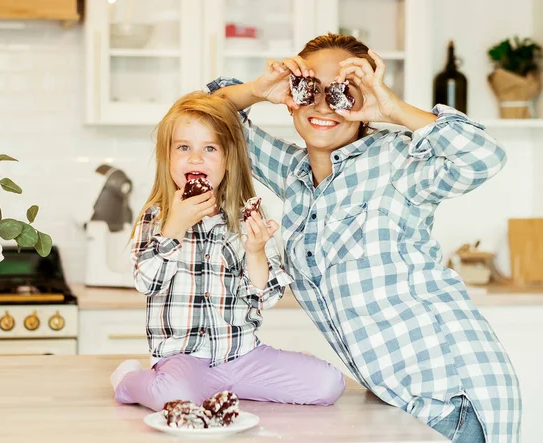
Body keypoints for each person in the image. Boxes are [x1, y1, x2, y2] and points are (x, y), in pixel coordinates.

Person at [207, 34, 521, 442]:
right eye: (309, 90)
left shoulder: (396, 160)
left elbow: (484, 155)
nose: (322, 105)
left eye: (341, 93)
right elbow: (206, 116)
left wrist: (391, 107)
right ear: (291, 97)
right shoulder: (293, 174)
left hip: (453, 401)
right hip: (399, 403)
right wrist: (256, 90)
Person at [109, 91, 346, 412]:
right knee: (172, 398)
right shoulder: (157, 216)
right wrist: (175, 226)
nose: (196, 158)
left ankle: (225, 387)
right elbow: (146, 284)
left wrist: (256, 251)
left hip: (243, 356)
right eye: (184, 148)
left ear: (227, 160)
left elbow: (265, 298)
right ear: (168, 158)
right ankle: (128, 381)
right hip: (184, 359)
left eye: (209, 148)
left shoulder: (246, 216)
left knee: (328, 385)